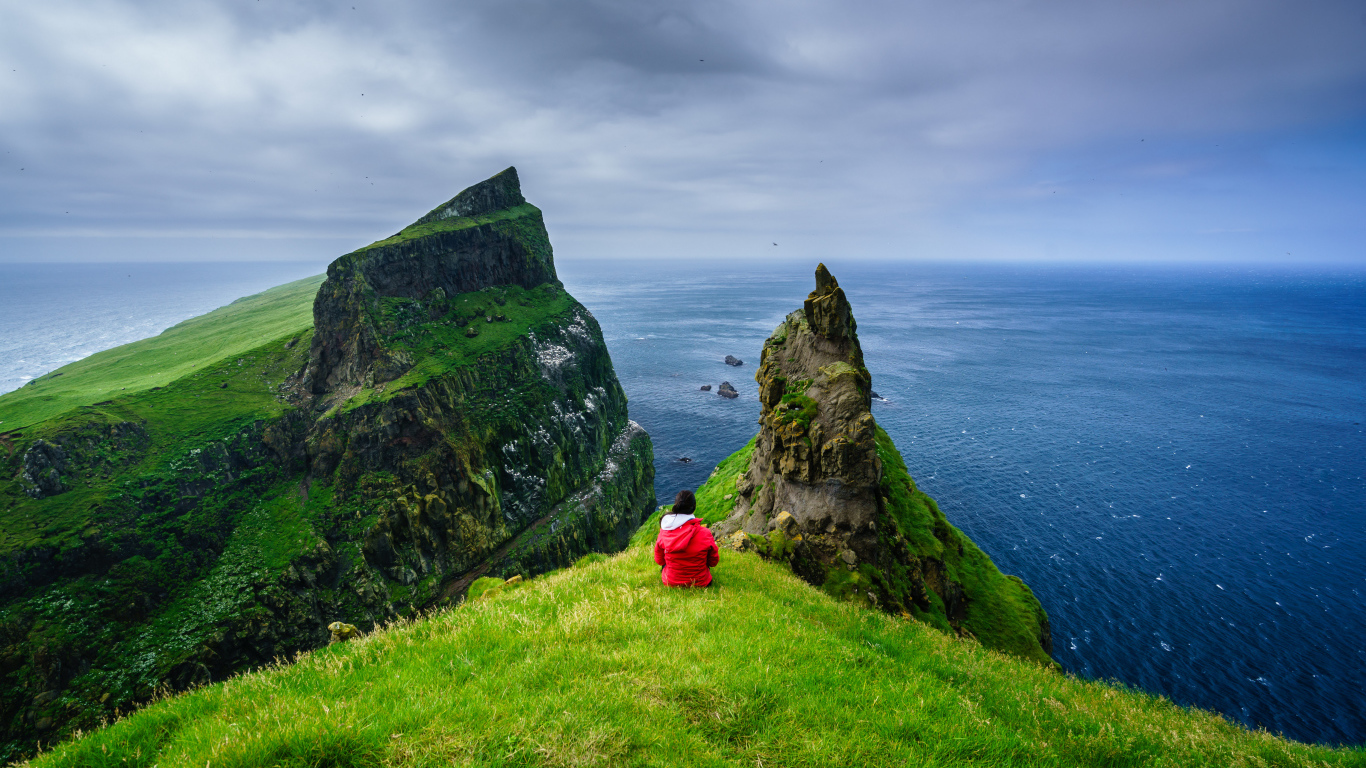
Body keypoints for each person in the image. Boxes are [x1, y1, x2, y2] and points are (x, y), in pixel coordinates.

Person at [653, 489, 719, 587]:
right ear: (694, 507)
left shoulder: (664, 533)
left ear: (676, 505)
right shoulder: (705, 533)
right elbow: (713, 562)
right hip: (701, 582)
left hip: (671, 582)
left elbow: (660, 561)